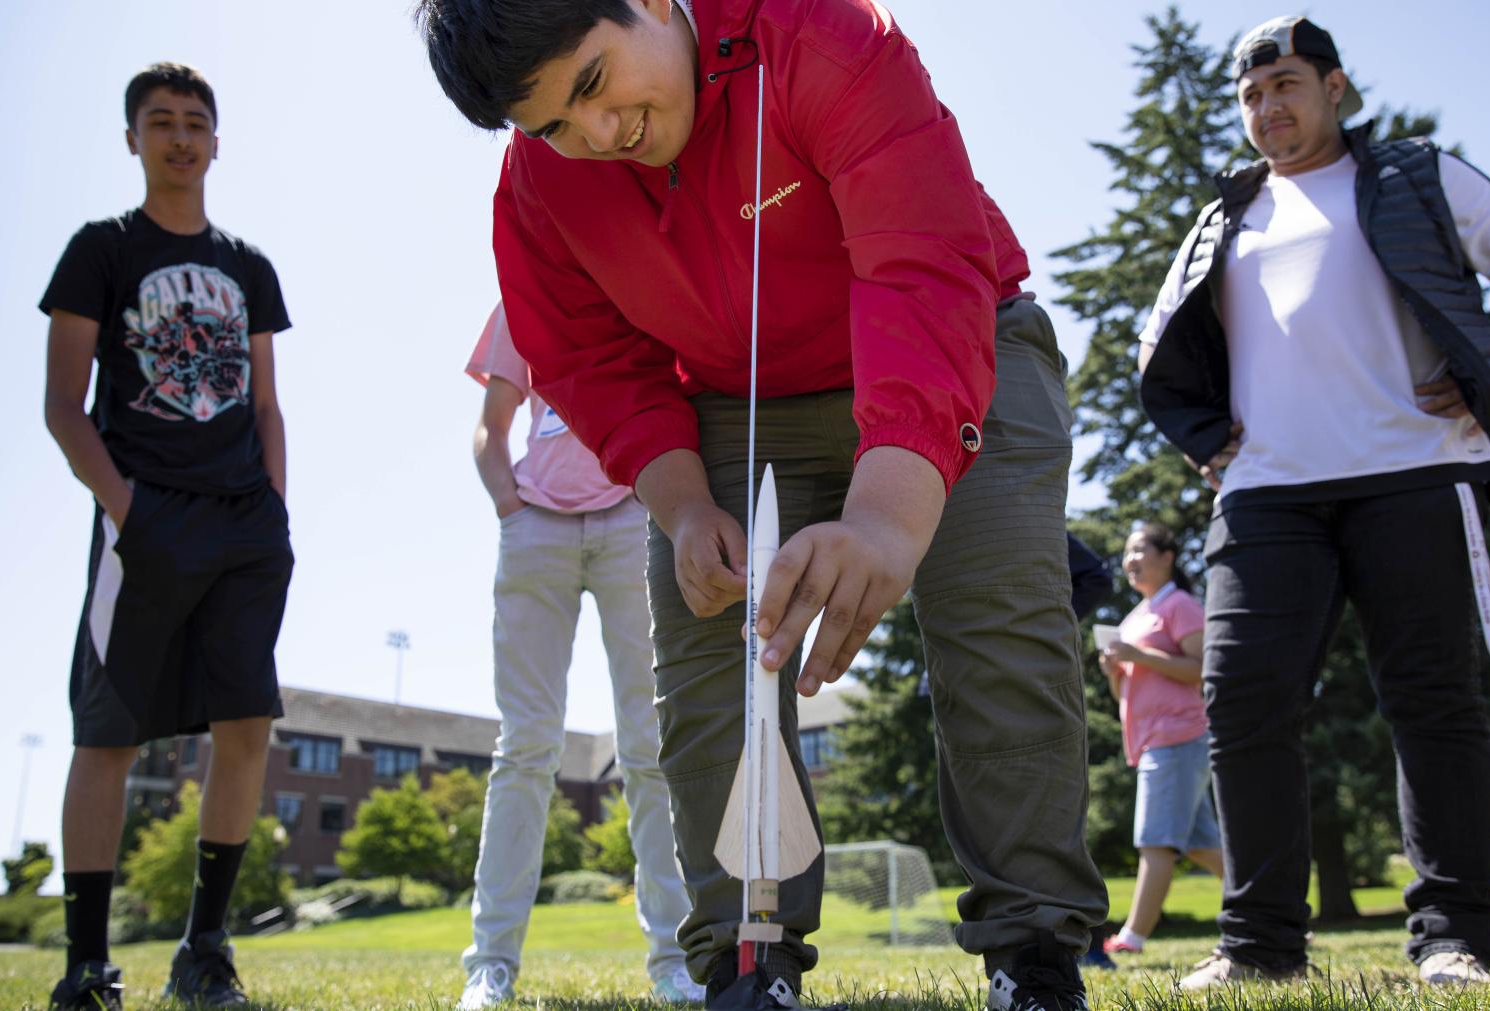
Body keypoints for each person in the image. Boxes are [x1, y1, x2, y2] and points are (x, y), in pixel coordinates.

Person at [416, 1, 1109, 1007]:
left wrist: (886, 514)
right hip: (739, 403)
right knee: (708, 641)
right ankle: (751, 958)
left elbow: (920, 266)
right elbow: (590, 360)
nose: (598, 138)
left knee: (999, 616)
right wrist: (682, 501)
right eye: (556, 124)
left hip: (961, 339)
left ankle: (1035, 951)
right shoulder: (537, 189)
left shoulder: (829, 37)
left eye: (598, 84)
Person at [1135, 15, 1490, 989]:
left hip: (1416, 472)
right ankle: (1259, 947)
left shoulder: (1417, 176)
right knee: (1244, 697)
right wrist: (1210, 438)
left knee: (1431, 701)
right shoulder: (1225, 215)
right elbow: (1158, 350)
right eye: (1251, 95)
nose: (1268, 108)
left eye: (1286, 84)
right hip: (1265, 497)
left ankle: (1453, 936)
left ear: (1336, 87)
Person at [40, 62, 295, 1009]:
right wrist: (126, 510)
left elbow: (268, 404)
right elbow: (64, 407)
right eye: (161, 122)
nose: (181, 137)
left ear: (217, 142)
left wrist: (275, 511)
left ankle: (205, 951)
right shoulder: (100, 251)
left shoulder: (248, 266)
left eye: (196, 122)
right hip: (146, 516)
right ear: (133, 139)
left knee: (246, 725)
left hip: (243, 525)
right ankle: (84, 967)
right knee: (107, 735)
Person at [458, 300, 704, 1007]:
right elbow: (492, 426)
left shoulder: (638, 273)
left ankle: (673, 960)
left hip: (634, 517)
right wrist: (511, 503)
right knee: (527, 744)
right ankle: (491, 964)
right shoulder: (521, 296)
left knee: (650, 742)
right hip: (538, 528)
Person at [1096, 523, 1221, 959]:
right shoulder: (1135, 617)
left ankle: (1132, 938)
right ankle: (1276, 911)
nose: (1130, 561)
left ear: (1166, 556)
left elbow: (1201, 668)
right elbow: (1125, 694)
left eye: (1139, 551)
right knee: (1204, 845)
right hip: (1152, 741)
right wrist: (1116, 672)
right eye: (1126, 554)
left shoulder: (1180, 605)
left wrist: (1136, 656)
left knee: (1154, 841)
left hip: (1179, 736)